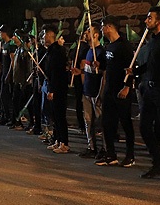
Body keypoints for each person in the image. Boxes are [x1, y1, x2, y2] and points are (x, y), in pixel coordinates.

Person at [126, 5, 160, 181]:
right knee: (144, 127)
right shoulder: (152, 40)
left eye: (150, 18)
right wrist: (135, 71)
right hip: (148, 89)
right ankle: (158, 163)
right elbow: (150, 65)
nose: (146, 21)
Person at [97, 16, 137, 167]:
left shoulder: (124, 46)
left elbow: (131, 68)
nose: (102, 29)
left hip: (121, 90)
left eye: (103, 26)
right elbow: (106, 67)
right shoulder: (108, 46)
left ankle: (130, 155)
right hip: (109, 90)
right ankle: (110, 154)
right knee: (107, 123)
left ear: (109, 27)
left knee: (125, 123)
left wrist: (127, 87)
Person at [72, 24, 105, 158]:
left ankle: (105, 149)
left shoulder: (101, 52)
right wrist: (79, 72)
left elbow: (104, 74)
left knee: (101, 123)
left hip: (96, 92)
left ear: (96, 35)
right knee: (88, 121)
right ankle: (91, 147)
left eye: (89, 32)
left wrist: (100, 94)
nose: (85, 34)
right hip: (87, 91)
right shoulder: (88, 51)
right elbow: (88, 71)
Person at [43, 24, 72, 153]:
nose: (43, 37)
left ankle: (64, 143)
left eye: (45, 34)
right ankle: (58, 140)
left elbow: (57, 72)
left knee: (60, 116)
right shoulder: (50, 51)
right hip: (53, 85)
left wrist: (52, 90)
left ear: (50, 35)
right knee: (55, 115)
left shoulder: (58, 51)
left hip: (59, 88)